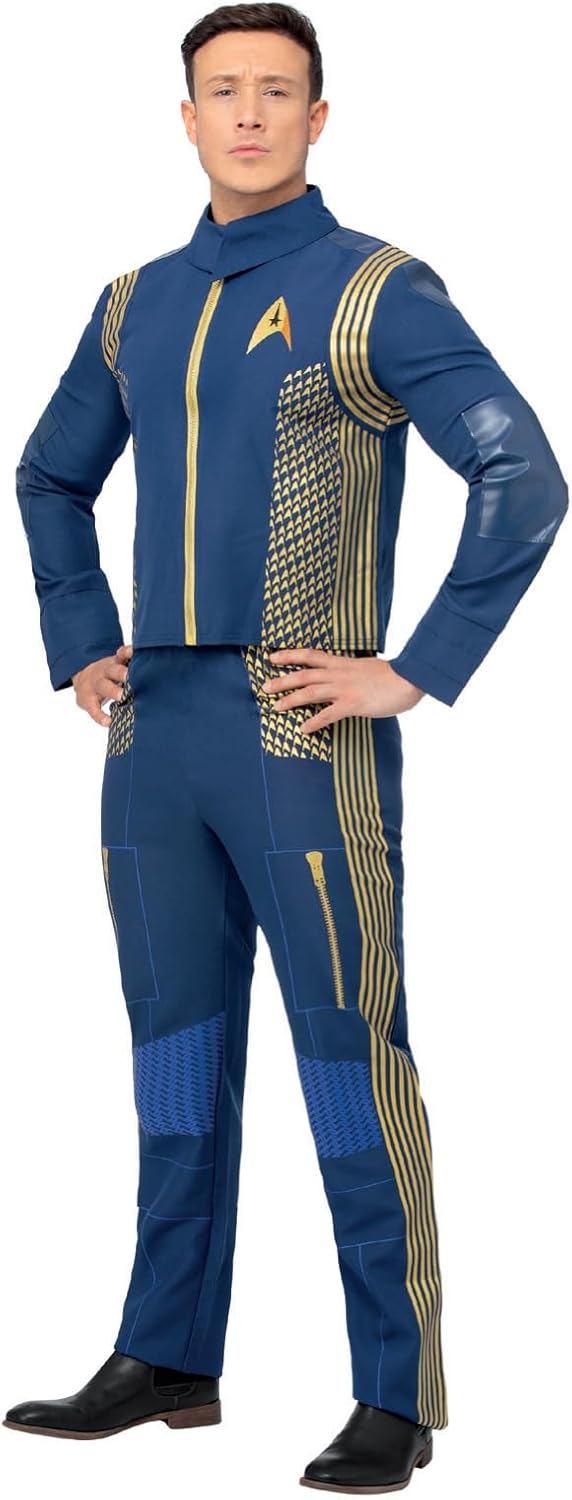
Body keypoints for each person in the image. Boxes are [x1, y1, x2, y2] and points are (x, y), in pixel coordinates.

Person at [5, 2, 568, 1492]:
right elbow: (50, 474)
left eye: (276, 91)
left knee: (346, 1058)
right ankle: (167, 1353)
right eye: (222, 90)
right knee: (174, 1058)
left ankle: (396, 1390)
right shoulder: (131, 303)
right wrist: (80, 633)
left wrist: (418, 668)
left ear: (319, 118)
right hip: (151, 737)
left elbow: (522, 472)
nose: (247, 113)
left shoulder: (376, 287)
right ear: (184, 116)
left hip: (299, 724)